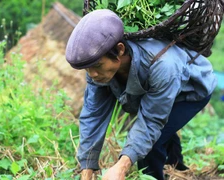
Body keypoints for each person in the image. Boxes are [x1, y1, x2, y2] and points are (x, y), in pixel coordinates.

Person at [65, 9, 217, 180]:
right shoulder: (97, 67)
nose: (92, 74)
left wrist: (121, 167)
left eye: (98, 66)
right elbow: (94, 115)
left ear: (120, 50)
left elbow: (152, 121)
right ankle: (177, 168)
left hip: (191, 91)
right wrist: (87, 170)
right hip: (161, 90)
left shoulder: (162, 65)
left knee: (151, 145)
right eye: (87, 68)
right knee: (162, 131)